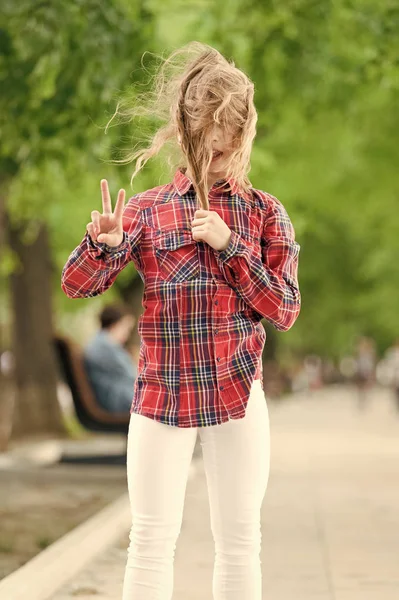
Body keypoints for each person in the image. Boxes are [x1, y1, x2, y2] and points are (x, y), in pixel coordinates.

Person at [61, 41, 301, 600]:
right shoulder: (145, 210)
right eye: (203, 149)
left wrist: (231, 246)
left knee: (239, 541)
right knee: (149, 539)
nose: (212, 163)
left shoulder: (264, 213)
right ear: (183, 133)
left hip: (237, 391)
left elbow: (285, 309)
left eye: (224, 152)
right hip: (161, 395)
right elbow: (77, 285)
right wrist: (103, 244)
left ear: (242, 140)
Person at [83, 304, 137, 413]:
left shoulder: (102, 343)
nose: (127, 333)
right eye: (126, 328)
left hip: (117, 397)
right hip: (117, 401)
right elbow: (132, 374)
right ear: (115, 324)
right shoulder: (105, 346)